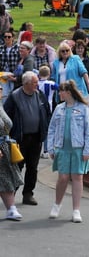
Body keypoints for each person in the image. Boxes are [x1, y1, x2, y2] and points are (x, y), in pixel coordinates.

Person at [4, 71, 52, 205]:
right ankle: (10, 194)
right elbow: (6, 117)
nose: (37, 84)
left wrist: (45, 127)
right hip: (20, 139)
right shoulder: (14, 97)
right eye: (35, 82)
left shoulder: (40, 95)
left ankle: (28, 194)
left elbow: (47, 112)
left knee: (33, 167)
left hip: (36, 137)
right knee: (17, 167)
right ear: (26, 84)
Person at [47, 80, 89, 223]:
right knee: (63, 178)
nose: (59, 93)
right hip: (62, 148)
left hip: (78, 149)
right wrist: (51, 147)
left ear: (68, 92)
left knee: (77, 178)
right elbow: (52, 128)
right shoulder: (59, 108)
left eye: (61, 91)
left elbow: (88, 132)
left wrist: (87, 150)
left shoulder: (83, 109)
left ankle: (76, 210)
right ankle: (57, 204)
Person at [0, 91, 24, 221]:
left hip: (5, 147)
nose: (1, 91)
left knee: (7, 178)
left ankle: (11, 209)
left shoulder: (1, 105)